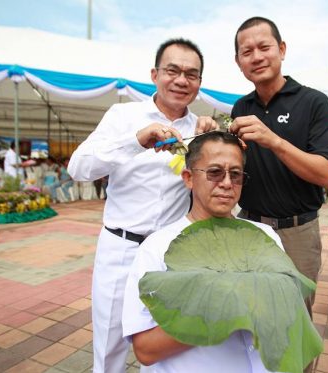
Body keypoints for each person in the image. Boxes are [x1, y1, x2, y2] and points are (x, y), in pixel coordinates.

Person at [67, 38, 217, 373]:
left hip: (173, 254)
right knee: (109, 343)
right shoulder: (123, 115)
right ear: (155, 74)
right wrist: (136, 140)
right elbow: (78, 168)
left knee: (165, 344)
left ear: (199, 83)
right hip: (121, 247)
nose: (181, 80)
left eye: (191, 75)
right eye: (172, 71)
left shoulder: (200, 129)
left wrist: (212, 140)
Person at [123, 131, 289, 372]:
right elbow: (146, 350)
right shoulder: (157, 248)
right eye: (214, 172)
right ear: (189, 178)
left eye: (236, 174)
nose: (226, 183)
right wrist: (224, 312)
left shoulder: (266, 237)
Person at [230, 17, 328, 317]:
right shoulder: (241, 108)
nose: (256, 57)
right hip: (249, 226)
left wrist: (273, 141)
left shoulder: (314, 103)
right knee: (249, 313)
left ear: (281, 49)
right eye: (246, 51)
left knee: (295, 319)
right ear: (238, 61)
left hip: (297, 232)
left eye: (264, 47)